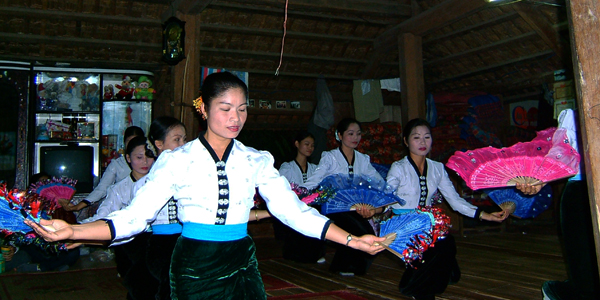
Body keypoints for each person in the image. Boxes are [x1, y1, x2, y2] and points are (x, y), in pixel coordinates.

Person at [25, 71, 385, 300]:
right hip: (195, 262)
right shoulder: (177, 160)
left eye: (242, 109)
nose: (235, 118)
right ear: (204, 109)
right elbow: (134, 217)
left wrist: (353, 240)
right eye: (225, 108)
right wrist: (75, 229)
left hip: (243, 259)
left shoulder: (255, 159)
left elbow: (294, 211)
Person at [386, 118, 507, 300]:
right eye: (416, 137)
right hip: (402, 224)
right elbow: (387, 195)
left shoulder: (437, 168)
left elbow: (455, 200)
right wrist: (375, 209)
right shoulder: (398, 168)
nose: (422, 142)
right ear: (406, 141)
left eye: (427, 137)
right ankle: (415, 288)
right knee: (430, 251)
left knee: (447, 243)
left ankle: (436, 278)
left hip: (426, 221)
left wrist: (484, 215)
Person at [517, 109, 599, 300]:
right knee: (586, 275)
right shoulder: (577, 113)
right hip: (582, 194)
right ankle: (558, 293)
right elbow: (561, 153)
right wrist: (540, 180)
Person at [301, 118, 384, 276]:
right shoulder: (330, 157)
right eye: (350, 133)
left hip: (355, 207)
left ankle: (346, 266)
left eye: (358, 134)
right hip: (334, 206)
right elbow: (316, 177)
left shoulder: (363, 159)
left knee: (369, 235)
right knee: (355, 230)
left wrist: (389, 192)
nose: (355, 138)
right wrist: (300, 191)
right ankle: (343, 266)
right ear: (339, 135)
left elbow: (378, 180)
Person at [82, 136, 157, 300]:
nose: (145, 161)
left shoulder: (160, 183)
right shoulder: (118, 189)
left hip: (156, 241)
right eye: (139, 157)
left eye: (149, 156)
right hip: (131, 242)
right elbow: (103, 215)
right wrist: (77, 229)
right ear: (128, 158)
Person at [142, 116, 187, 300]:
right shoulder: (158, 173)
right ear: (159, 144)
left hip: (183, 237)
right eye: (177, 140)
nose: (183, 144)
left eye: (185, 139)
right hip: (163, 242)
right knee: (169, 289)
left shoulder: (184, 166)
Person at [61, 126, 145, 216]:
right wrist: (79, 206)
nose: (132, 146)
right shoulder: (116, 165)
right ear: (124, 143)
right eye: (129, 142)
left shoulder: (149, 164)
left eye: (136, 142)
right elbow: (102, 189)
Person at [277, 132, 326, 264]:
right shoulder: (287, 167)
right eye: (306, 144)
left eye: (312, 145)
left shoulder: (315, 168)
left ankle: (315, 252)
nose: (310, 148)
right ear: (297, 144)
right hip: (294, 207)